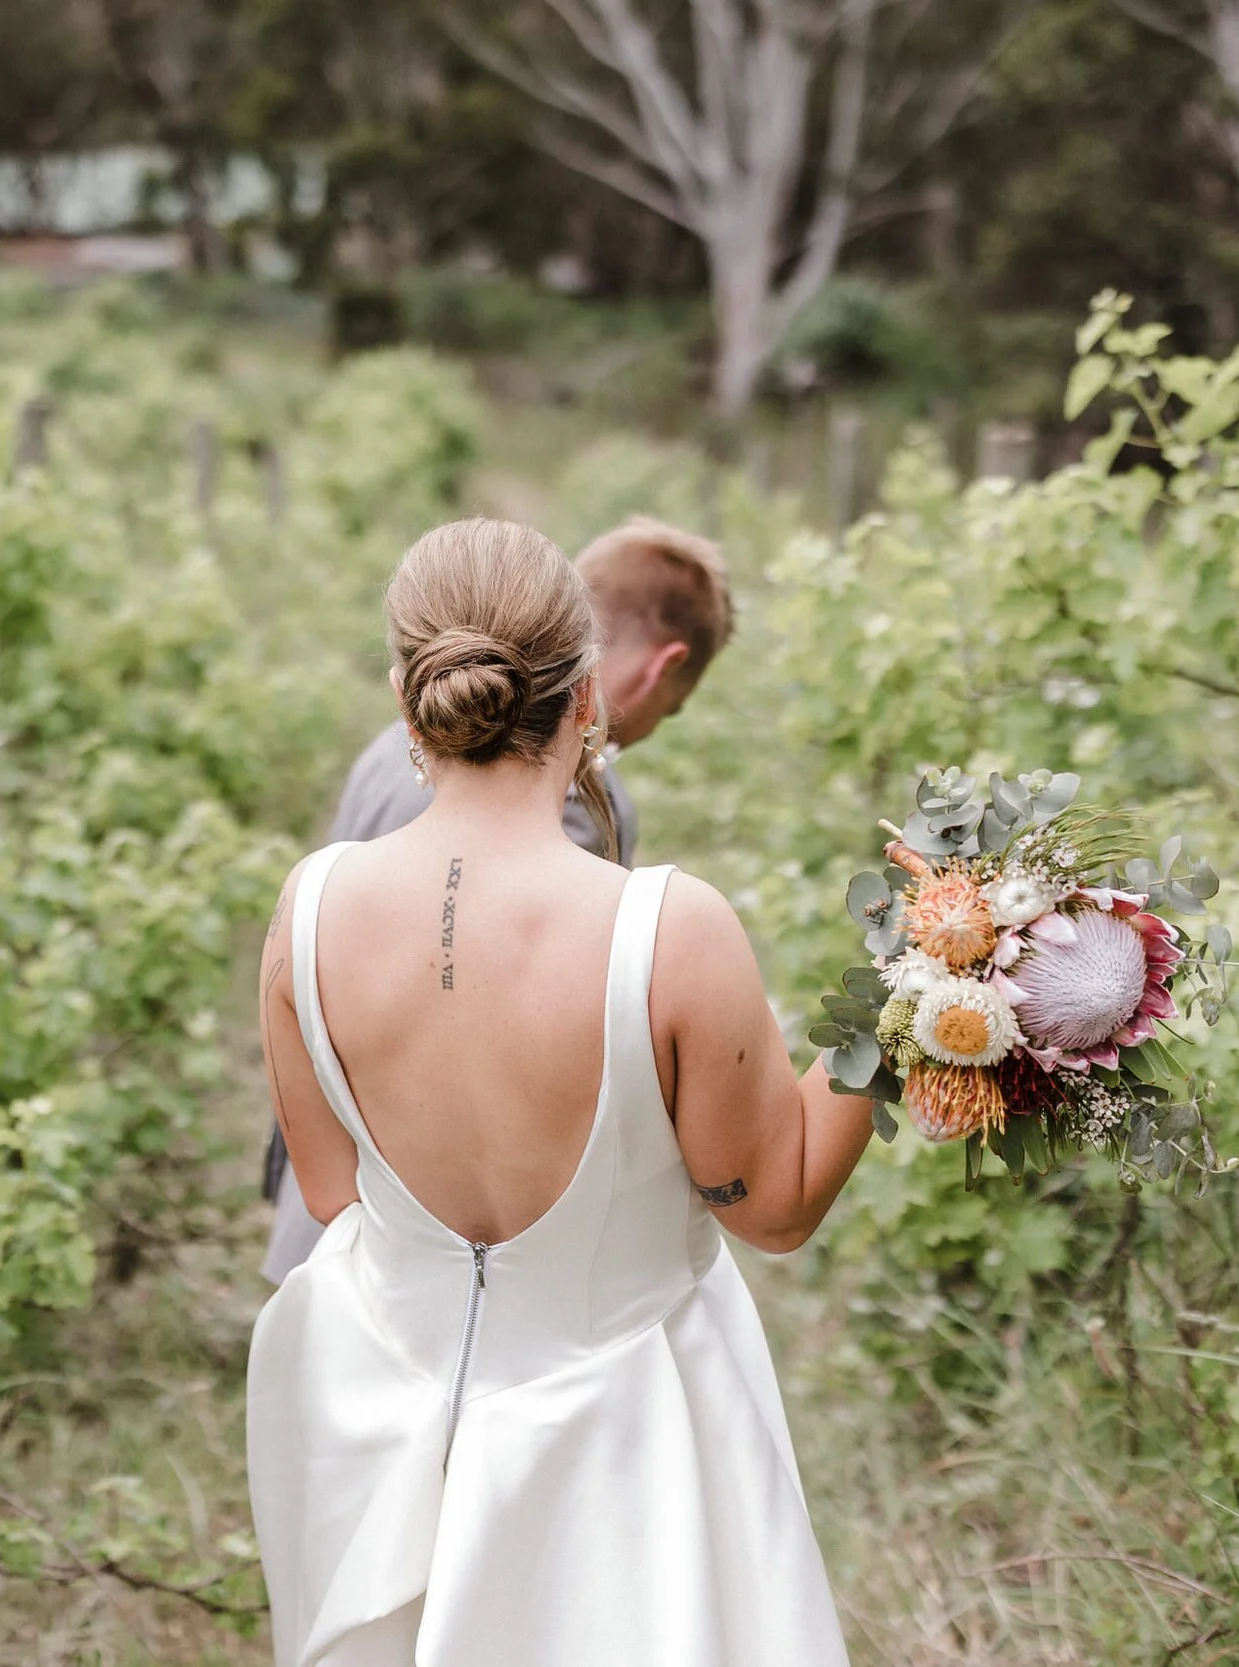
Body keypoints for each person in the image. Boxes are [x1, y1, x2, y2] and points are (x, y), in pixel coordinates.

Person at [247, 518, 867, 1664]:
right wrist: (910, 987)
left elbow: (334, 1192)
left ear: (406, 692)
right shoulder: (670, 928)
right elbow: (772, 1206)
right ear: (588, 696)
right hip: (628, 1445)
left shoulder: (310, 908)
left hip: (393, 1439)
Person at [260, 515, 733, 1283]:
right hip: (440, 1265)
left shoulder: (402, 741)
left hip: (338, 1234)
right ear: (656, 668)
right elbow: (535, 1073)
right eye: (671, 709)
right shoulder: (569, 804)